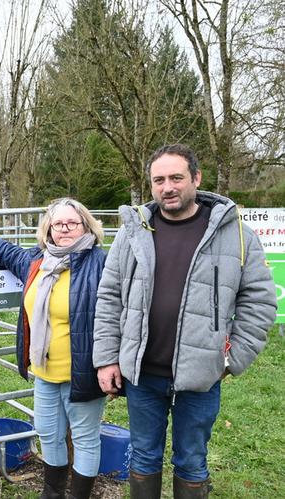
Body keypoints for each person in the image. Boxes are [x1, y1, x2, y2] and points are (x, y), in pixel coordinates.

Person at [93, 143, 276, 498]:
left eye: (176, 177)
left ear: (196, 178)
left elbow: (259, 302)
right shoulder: (134, 233)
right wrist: (107, 358)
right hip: (143, 374)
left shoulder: (236, 234)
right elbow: (109, 297)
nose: (168, 187)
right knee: (144, 457)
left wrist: (231, 359)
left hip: (199, 378)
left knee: (192, 461)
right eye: (158, 180)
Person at [0, 198, 106, 499]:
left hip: (82, 372)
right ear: (49, 229)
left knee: (84, 438)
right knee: (49, 434)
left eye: (73, 223)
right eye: (59, 224)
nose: (65, 229)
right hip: (44, 371)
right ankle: (52, 494)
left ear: (86, 225)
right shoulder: (38, 262)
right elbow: (9, 252)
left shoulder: (101, 263)